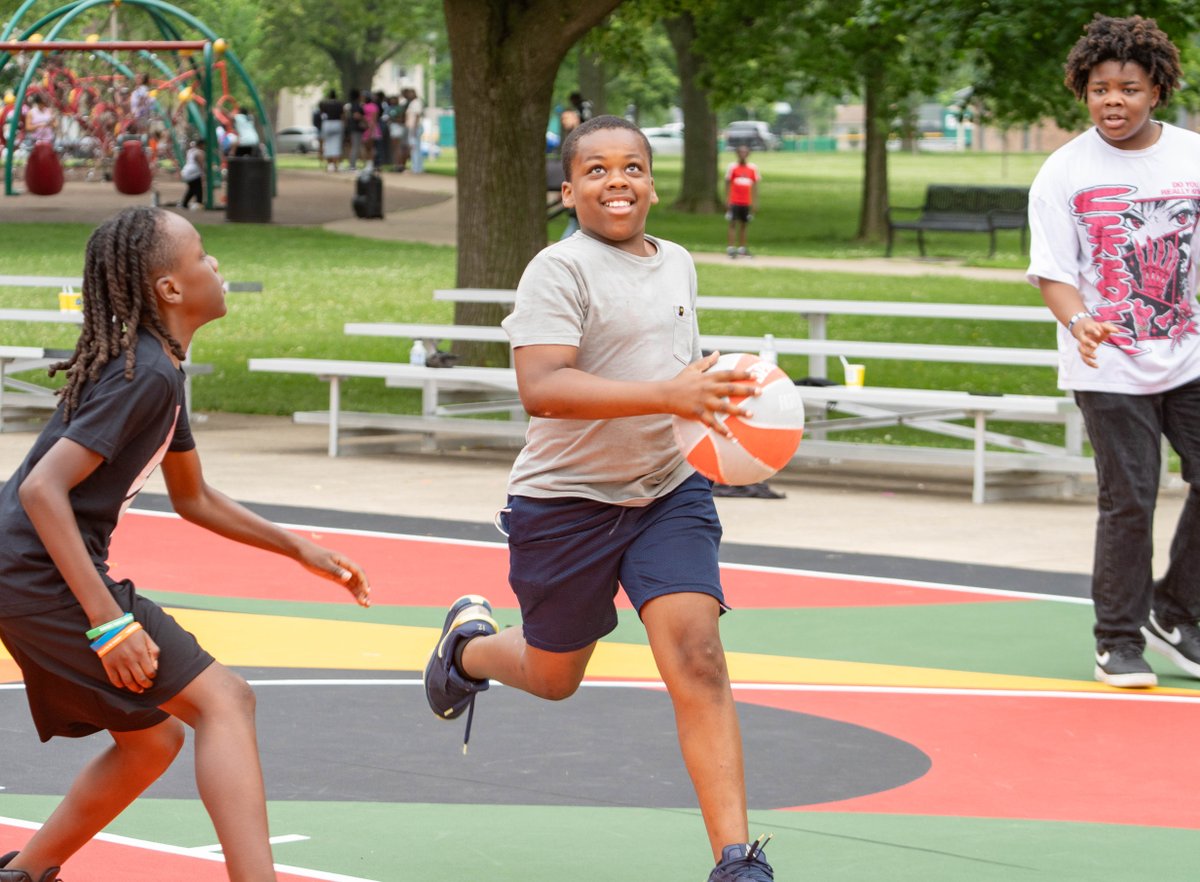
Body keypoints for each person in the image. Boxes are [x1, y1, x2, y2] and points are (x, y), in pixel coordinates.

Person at [422, 115, 776, 881]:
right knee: (554, 678)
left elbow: (675, 374)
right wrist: (668, 393)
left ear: (652, 183)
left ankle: (737, 861)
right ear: (568, 190)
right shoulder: (558, 270)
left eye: (632, 167)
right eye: (597, 170)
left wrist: (720, 404)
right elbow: (542, 387)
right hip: (566, 503)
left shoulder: (677, 262)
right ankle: (469, 649)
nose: (617, 181)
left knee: (698, 657)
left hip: (667, 492)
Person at [0, 207, 371, 882]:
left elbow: (193, 496)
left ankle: (26, 871)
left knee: (153, 740)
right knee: (226, 700)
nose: (215, 264)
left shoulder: (159, 370)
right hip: (35, 573)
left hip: (27, 574)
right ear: (170, 288)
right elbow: (41, 489)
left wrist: (298, 549)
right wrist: (108, 622)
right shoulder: (145, 374)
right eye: (202, 254)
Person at [1027, 14, 1200, 689]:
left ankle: (1174, 611)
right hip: (1108, 365)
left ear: (1156, 89)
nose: (1114, 102)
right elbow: (1053, 272)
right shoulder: (1064, 172)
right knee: (1131, 497)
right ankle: (1118, 639)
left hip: (1188, 355)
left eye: (1128, 88)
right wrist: (1079, 323)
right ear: (1083, 92)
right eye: (1100, 89)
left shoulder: (1191, 156)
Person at [725, 145, 759, 258]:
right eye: (741, 152)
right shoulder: (732, 167)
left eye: (745, 152)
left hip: (746, 201)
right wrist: (727, 200)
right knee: (732, 223)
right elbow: (727, 184)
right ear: (737, 154)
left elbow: (755, 186)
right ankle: (730, 247)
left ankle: (742, 248)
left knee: (744, 224)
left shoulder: (752, 168)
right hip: (734, 200)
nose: (743, 155)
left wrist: (754, 202)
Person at [318, 89, 344, 173]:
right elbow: (342, 115)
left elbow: (322, 114)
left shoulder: (325, 104)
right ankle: (337, 164)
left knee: (328, 144)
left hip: (327, 123)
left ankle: (330, 164)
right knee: (337, 144)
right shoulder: (340, 104)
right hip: (337, 123)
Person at [178, 139, 203, 210]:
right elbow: (200, 163)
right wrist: (203, 173)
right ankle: (198, 203)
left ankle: (185, 203)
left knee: (192, 188)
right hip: (194, 172)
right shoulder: (199, 152)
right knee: (198, 188)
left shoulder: (190, 151)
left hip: (186, 171)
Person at [403, 88, 424, 174]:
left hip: (415, 128)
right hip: (413, 127)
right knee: (415, 148)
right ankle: (417, 168)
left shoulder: (416, 103)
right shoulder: (413, 103)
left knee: (414, 148)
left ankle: (416, 168)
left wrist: (414, 129)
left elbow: (417, 116)